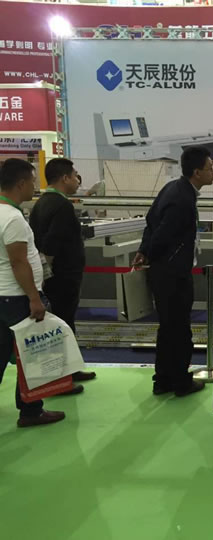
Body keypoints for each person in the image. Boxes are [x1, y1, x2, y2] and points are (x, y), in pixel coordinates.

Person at [132, 146, 213, 397]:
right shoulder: (183, 199)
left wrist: (144, 250)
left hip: (165, 269)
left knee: (168, 327)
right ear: (197, 172)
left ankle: (163, 379)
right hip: (173, 272)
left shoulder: (172, 189)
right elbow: (162, 234)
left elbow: (150, 222)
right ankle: (180, 381)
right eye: (210, 168)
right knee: (179, 328)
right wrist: (152, 253)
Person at [0, 159, 65, 427]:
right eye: (32, 181)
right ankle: (31, 411)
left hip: (2, 295)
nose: (35, 186)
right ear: (21, 183)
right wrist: (34, 299)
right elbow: (18, 262)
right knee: (30, 355)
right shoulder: (13, 218)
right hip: (16, 297)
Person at [29, 158, 95, 395]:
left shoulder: (41, 204)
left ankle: (70, 369)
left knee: (65, 323)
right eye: (75, 175)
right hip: (62, 276)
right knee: (61, 323)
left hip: (56, 276)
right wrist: (48, 272)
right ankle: (58, 379)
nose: (78, 180)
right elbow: (51, 244)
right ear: (65, 178)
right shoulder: (62, 206)